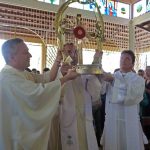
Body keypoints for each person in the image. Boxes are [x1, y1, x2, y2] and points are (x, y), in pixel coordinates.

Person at [0, 38, 78, 150]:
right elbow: (38, 93)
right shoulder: (9, 79)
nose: (30, 55)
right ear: (12, 57)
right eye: (25, 52)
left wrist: (57, 61)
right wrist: (66, 78)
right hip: (16, 136)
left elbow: (46, 79)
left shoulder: (22, 73)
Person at [49, 43, 102, 150]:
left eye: (73, 52)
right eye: (68, 52)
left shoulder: (84, 71)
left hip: (84, 117)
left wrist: (95, 73)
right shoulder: (56, 74)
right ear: (62, 54)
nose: (72, 55)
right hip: (66, 118)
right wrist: (63, 76)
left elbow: (95, 94)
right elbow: (52, 95)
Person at [101, 50, 148, 150]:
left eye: (127, 58)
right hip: (112, 120)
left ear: (132, 63)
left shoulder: (138, 80)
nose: (123, 60)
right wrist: (99, 76)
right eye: (122, 58)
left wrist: (114, 81)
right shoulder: (112, 76)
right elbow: (101, 91)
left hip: (130, 121)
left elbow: (132, 97)